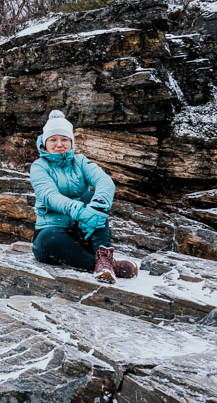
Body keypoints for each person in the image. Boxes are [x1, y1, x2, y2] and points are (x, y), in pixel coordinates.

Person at [29, 110, 137, 283]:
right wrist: (80, 211)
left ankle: (103, 257)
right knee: (48, 239)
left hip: (81, 233)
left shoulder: (80, 161)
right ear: (44, 142)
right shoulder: (39, 167)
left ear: (71, 142)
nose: (59, 144)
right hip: (53, 234)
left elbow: (105, 182)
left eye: (64, 139)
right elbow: (50, 196)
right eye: (53, 140)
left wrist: (97, 206)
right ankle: (103, 265)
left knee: (91, 197)